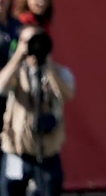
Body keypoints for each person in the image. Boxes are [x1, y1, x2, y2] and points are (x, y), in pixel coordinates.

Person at [0, 25, 75, 196]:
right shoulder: (16, 73)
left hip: (47, 153)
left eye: (35, 40)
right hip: (17, 151)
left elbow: (68, 94)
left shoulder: (57, 72)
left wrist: (47, 65)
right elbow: (1, 87)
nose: (32, 46)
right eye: (27, 41)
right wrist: (18, 54)